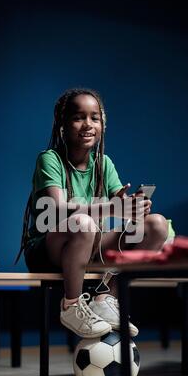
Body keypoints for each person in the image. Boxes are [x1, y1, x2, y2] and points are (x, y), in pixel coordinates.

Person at [17, 88, 169, 339]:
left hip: (90, 246)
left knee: (157, 226)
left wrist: (134, 209)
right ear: (62, 125)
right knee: (83, 224)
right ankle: (72, 305)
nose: (87, 124)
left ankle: (106, 298)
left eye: (94, 118)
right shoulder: (50, 159)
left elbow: (122, 206)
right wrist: (111, 208)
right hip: (48, 249)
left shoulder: (104, 163)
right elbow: (55, 210)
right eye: (78, 117)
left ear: (102, 125)